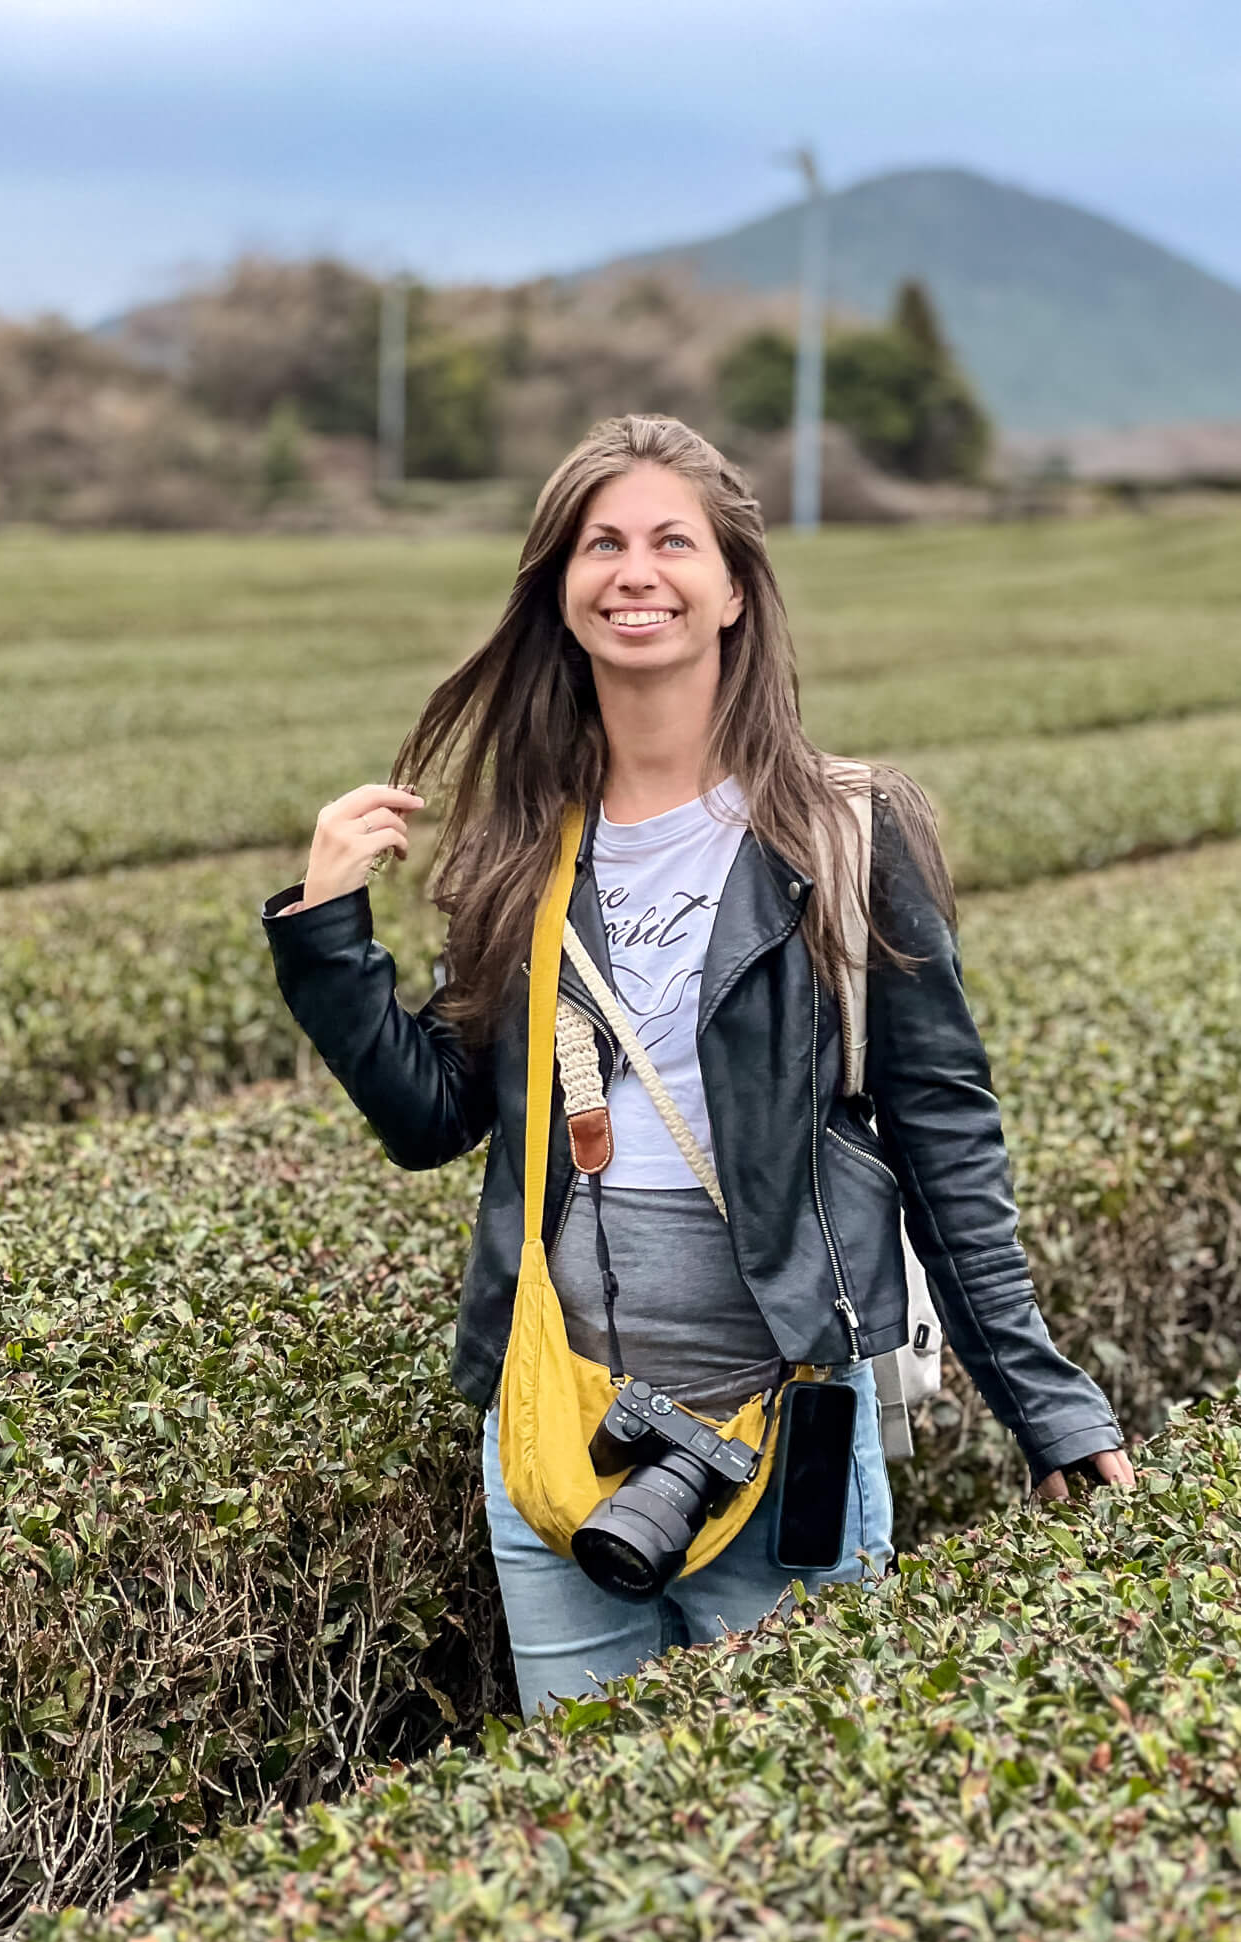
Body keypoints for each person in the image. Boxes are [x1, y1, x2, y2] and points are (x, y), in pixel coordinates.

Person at [263, 413, 1133, 1721]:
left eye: (673, 541)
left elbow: (940, 1127)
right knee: (577, 1843)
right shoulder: (526, 851)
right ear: (560, 590)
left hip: (777, 1430)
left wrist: (1045, 1403)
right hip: (558, 1430)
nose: (634, 571)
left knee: (791, 1823)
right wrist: (326, 934)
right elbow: (432, 1114)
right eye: (600, 543)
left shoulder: (841, 833)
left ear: (734, 588)